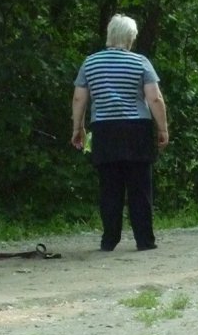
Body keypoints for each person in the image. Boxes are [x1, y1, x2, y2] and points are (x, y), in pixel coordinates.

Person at [71, 14, 169, 252]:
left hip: (104, 130)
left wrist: (78, 128)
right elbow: (154, 98)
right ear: (130, 37)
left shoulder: (90, 63)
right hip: (137, 129)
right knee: (140, 188)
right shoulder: (140, 63)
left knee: (109, 187)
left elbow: (79, 97)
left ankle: (109, 240)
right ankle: (145, 240)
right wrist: (163, 128)